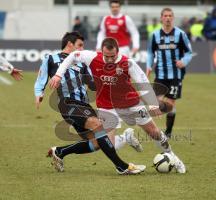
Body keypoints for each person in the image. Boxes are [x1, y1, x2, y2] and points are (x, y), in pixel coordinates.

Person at [49, 37, 186, 173]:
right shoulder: (92, 57)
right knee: (105, 145)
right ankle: (125, 142)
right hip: (107, 107)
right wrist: (58, 75)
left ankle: (173, 156)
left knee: (154, 133)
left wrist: (152, 103)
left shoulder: (128, 63)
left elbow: (142, 80)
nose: (109, 59)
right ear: (101, 51)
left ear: (118, 51)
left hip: (131, 104)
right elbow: (72, 55)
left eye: (112, 56)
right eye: (106, 56)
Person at [34, 32, 144, 175]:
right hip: (67, 102)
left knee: (97, 143)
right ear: (69, 44)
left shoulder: (82, 63)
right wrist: (39, 93)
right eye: (79, 45)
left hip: (84, 105)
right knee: (97, 126)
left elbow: (93, 84)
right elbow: (41, 77)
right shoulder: (51, 58)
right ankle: (121, 166)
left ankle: (60, 152)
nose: (81, 49)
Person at [146, 8, 193, 139]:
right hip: (160, 75)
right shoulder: (155, 35)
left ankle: (168, 132)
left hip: (175, 76)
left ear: (173, 18)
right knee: (156, 103)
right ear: (161, 18)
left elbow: (189, 52)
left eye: (170, 16)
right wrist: (149, 66)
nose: (167, 18)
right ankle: (154, 130)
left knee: (171, 104)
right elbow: (150, 52)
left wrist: (184, 61)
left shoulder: (180, 34)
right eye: (165, 16)